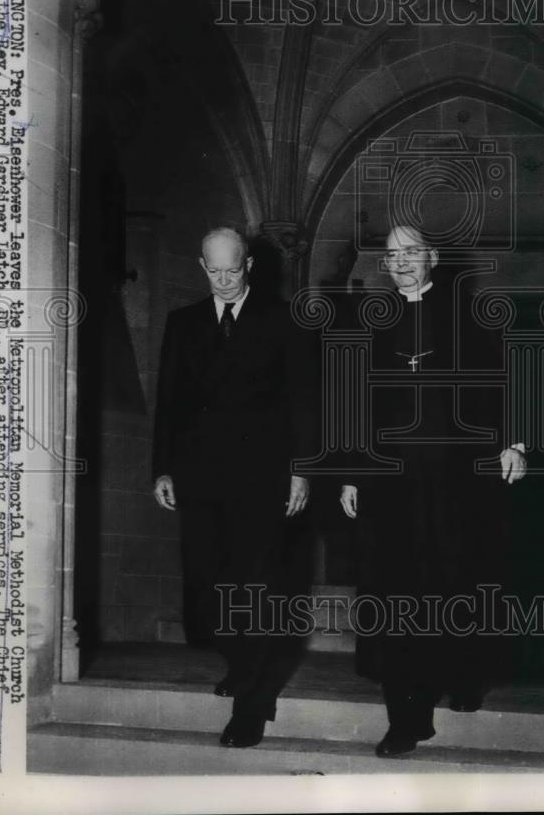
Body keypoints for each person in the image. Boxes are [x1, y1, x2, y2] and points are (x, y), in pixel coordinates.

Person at [340, 225, 526, 758]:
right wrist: (351, 472)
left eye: (411, 252)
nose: (400, 262)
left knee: (456, 584)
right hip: (391, 484)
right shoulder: (370, 321)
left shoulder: (472, 316)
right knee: (394, 594)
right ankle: (406, 719)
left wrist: (514, 442)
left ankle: (464, 675)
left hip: (457, 481)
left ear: (434, 258)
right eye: (391, 255)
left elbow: (508, 381)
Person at [152, 227, 317, 747]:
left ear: (249, 266)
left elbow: (304, 400)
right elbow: (169, 402)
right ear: (202, 266)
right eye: (214, 270)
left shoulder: (284, 319)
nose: (223, 280)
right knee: (209, 584)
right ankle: (242, 663)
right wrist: (163, 469)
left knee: (258, 587)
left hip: (264, 478)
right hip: (201, 478)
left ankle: (252, 703)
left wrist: (302, 469)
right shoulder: (182, 323)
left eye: (233, 269)